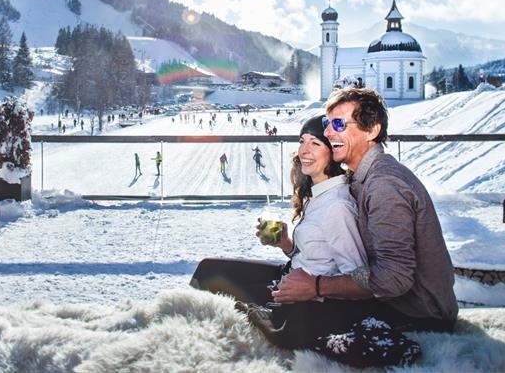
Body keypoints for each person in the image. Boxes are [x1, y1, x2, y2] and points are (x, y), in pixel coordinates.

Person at [272, 87, 457, 333]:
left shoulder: (384, 185)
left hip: (416, 314)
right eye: (328, 124)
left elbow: (394, 279)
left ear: (372, 130)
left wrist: (316, 286)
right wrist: (291, 248)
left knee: (283, 322)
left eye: (338, 124)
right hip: (395, 303)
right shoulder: (362, 177)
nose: (328, 132)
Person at [191, 116, 370, 349]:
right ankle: (191, 332)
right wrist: (287, 245)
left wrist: (313, 288)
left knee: (213, 281)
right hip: (288, 278)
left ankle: (195, 342)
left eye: (315, 144)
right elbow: (320, 254)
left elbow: (361, 281)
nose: (304, 151)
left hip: (303, 300)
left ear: (334, 152)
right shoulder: (320, 194)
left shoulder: (337, 206)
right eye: (302, 141)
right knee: (209, 269)